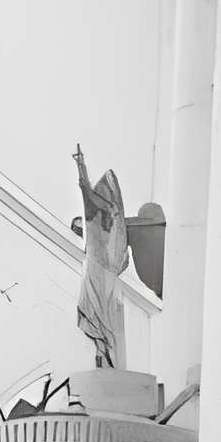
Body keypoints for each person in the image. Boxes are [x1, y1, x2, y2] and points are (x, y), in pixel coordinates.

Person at [72, 145, 129, 369]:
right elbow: (88, 195)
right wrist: (81, 167)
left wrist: (81, 167)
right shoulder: (109, 217)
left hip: (100, 273)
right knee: (98, 316)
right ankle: (103, 355)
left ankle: (106, 356)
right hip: (99, 272)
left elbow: (87, 193)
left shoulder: (107, 213)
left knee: (101, 317)